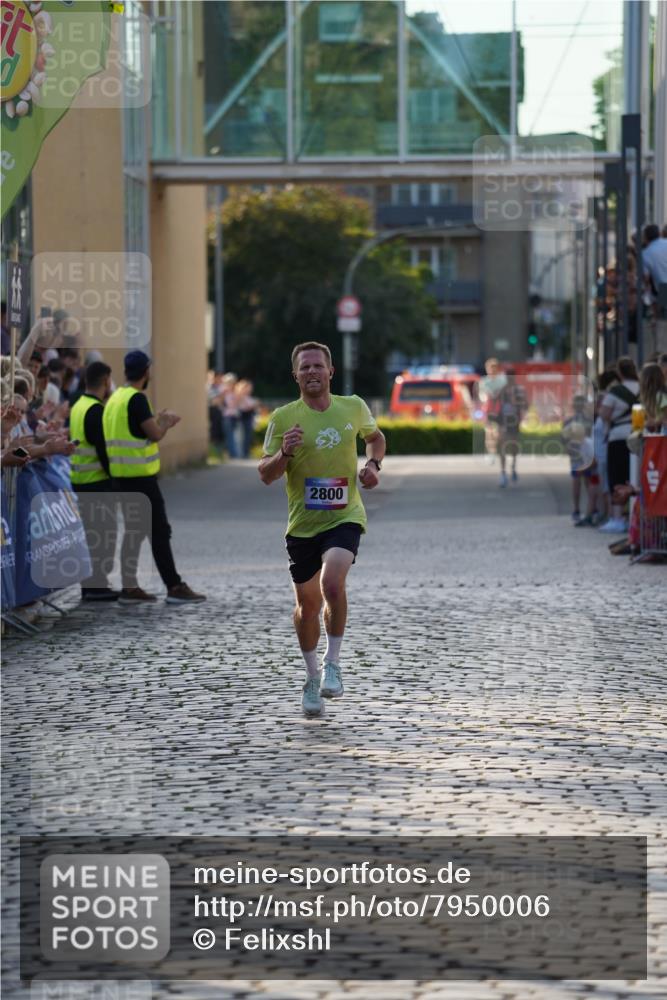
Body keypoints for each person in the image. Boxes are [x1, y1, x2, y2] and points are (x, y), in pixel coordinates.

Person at [258, 341, 385, 719]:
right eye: (305, 367)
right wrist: (284, 454)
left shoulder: (353, 407)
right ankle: (312, 677)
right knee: (307, 606)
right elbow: (265, 475)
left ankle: (333, 664)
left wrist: (374, 465)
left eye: (318, 366)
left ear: (331, 372)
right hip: (302, 524)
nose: (312, 372)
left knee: (333, 583)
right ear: (295, 375)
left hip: (344, 515)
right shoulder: (283, 418)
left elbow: (375, 437)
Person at [103, 350, 206, 605]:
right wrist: (166, 422)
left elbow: (133, 432)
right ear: (146, 371)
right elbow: (153, 434)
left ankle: (129, 588)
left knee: (134, 532)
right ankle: (174, 586)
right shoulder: (137, 399)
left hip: (120, 477)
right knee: (160, 531)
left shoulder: (115, 398)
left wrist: (156, 421)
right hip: (141, 479)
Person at [69, 361, 120, 602]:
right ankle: (98, 584)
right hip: (97, 483)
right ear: (106, 380)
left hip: (80, 481)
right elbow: (102, 450)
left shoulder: (78, 405)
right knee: (103, 535)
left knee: (90, 536)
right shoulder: (96, 410)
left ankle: (90, 584)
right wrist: (115, 478)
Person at [598, 356, 639, 533]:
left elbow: (604, 414)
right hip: (637, 436)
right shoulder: (641, 388)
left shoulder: (615, 391)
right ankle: (633, 516)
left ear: (619, 372)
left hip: (617, 436)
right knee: (634, 475)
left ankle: (617, 518)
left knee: (616, 475)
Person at [561, 395, 597, 525]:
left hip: (580, 454)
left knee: (583, 481)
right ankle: (588, 508)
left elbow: (564, 439)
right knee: (584, 481)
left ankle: (584, 509)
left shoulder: (571, 421)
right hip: (580, 454)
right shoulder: (587, 420)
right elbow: (564, 439)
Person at [496, 367, 526, 487]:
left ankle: (513, 467)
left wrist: (517, 401)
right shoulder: (502, 390)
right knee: (502, 446)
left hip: (514, 422)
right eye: (507, 376)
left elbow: (525, 405)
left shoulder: (519, 390)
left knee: (513, 446)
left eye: (511, 376)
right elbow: (494, 403)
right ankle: (503, 473)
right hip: (503, 421)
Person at [478, 357, 507, 464]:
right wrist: (486, 398)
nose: (492, 371)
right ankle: (491, 454)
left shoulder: (502, 381)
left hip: (500, 410)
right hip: (488, 409)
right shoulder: (484, 381)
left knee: (498, 434)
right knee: (489, 433)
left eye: (494, 369)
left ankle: (498, 451)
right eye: (490, 369)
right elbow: (482, 395)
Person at [236, 378, 259, 458]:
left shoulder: (248, 397)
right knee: (242, 437)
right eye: (247, 387)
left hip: (248, 418)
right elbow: (244, 407)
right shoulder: (239, 397)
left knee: (247, 437)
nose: (249, 389)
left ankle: (246, 453)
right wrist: (252, 406)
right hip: (242, 419)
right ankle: (242, 454)